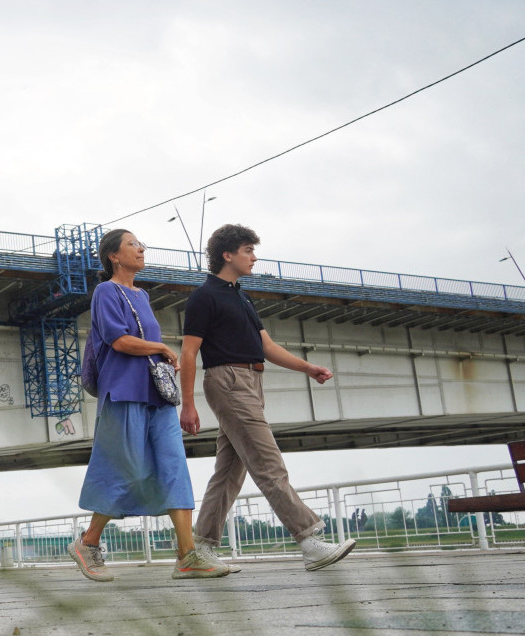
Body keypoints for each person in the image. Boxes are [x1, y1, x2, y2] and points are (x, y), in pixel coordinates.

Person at [179, 224, 356, 571]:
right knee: (267, 461)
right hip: (228, 381)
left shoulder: (241, 297)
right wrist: (188, 404)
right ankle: (309, 540)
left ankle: (200, 548)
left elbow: (266, 346)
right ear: (227, 254)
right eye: (248, 250)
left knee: (229, 471)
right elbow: (188, 353)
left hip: (251, 381)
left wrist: (308, 368)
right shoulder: (204, 297)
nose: (254, 257)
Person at [68, 228, 230, 582]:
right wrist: (159, 348)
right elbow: (119, 340)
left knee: (175, 467)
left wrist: (159, 355)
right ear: (113, 256)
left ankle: (187, 556)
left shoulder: (142, 295)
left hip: (157, 395)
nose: (141, 249)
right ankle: (88, 542)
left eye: (141, 245)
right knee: (127, 470)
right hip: (123, 393)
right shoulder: (105, 291)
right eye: (132, 245)